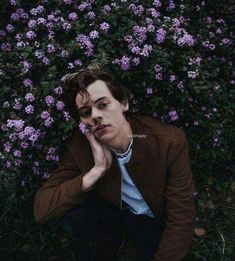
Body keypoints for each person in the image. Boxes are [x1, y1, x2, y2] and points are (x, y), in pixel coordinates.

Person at [33, 66, 196, 261]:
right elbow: (41, 210)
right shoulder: (79, 147)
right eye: (85, 112)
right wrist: (96, 171)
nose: (95, 115)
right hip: (116, 217)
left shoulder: (168, 141)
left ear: (123, 103)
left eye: (103, 104)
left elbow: (181, 217)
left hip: (154, 225)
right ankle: (110, 247)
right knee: (76, 215)